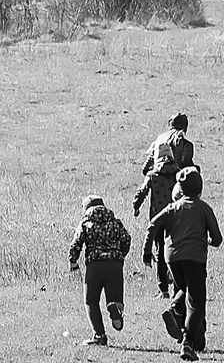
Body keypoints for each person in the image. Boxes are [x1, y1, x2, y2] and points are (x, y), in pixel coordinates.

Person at [150, 166, 222, 359]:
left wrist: (146, 249)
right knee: (197, 301)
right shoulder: (204, 208)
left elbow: (153, 224)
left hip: (172, 258)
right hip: (195, 258)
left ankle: (174, 309)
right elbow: (217, 239)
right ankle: (188, 343)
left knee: (186, 288)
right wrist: (206, 240)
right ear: (200, 188)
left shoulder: (172, 207)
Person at [134, 114, 197, 295]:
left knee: (160, 247)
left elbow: (145, 169)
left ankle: (163, 286)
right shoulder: (185, 144)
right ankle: (176, 280)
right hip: (177, 206)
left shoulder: (158, 141)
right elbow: (187, 168)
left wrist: (155, 175)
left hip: (157, 209)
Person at [68, 197, 130, 346]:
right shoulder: (116, 222)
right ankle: (116, 309)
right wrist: (119, 255)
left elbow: (76, 242)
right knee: (114, 297)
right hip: (115, 265)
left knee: (91, 300)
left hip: (94, 266)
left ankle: (99, 335)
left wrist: (73, 260)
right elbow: (126, 239)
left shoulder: (86, 223)